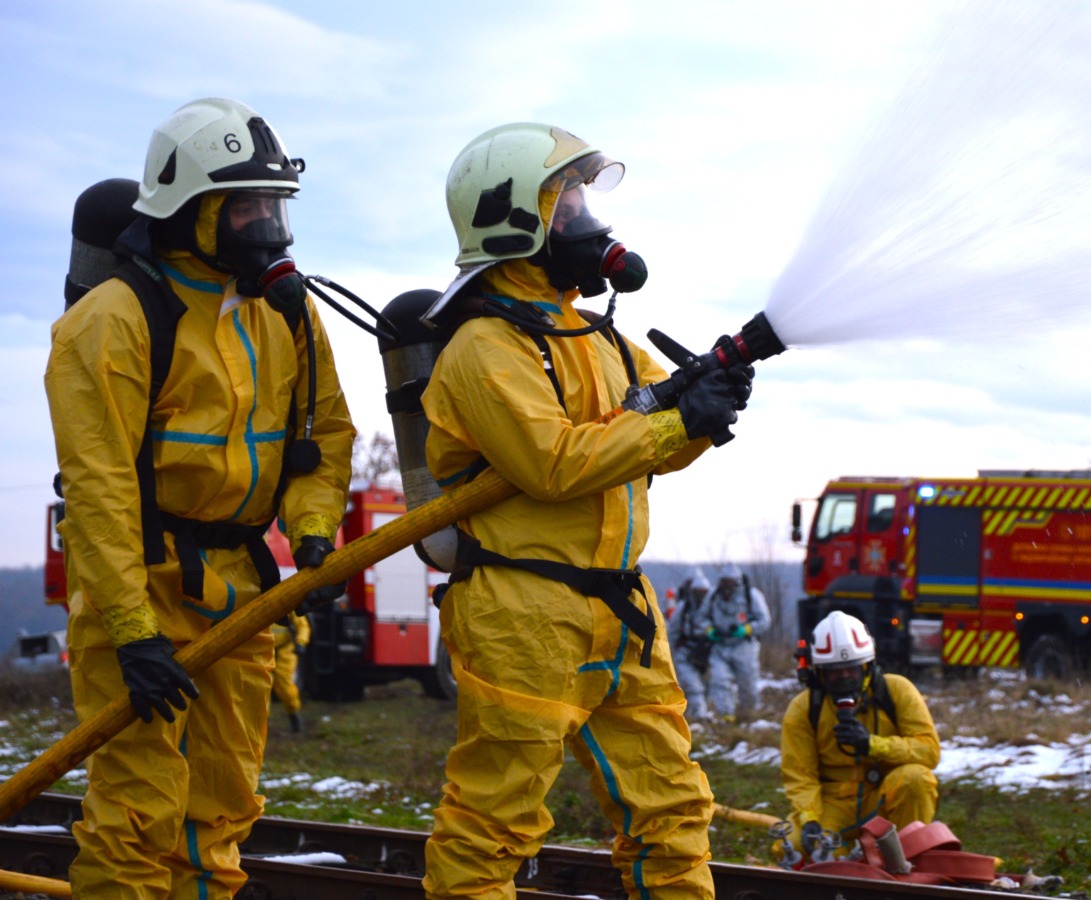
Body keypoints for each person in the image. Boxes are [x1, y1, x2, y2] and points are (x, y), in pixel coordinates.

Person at [418, 122, 753, 900]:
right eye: (564, 201)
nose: (584, 218)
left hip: (622, 610)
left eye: (580, 198)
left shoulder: (597, 335)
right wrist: (678, 419)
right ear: (513, 221)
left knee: (672, 811)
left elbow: (648, 446)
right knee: (493, 823)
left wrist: (703, 409)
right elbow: (554, 463)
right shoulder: (482, 346)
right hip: (524, 617)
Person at [45, 97, 354, 898]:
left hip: (241, 594)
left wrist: (314, 529)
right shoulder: (113, 320)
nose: (268, 225)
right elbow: (99, 488)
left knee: (220, 808)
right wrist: (131, 635)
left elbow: (326, 432)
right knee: (136, 814)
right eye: (244, 206)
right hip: (140, 589)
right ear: (188, 211)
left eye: (274, 203)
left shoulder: (286, 311)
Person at [780, 611, 940, 860]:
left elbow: (928, 751)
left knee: (916, 778)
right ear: (818, 673)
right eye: (835, 672)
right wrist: (809, 818)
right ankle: (850, 863)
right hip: (833, 801)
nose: (844, 677)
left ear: (867, 667)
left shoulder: (897, 691)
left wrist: (872, 745)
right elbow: (801, 775)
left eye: (851, 670)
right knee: (792, 846)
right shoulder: (804, 709)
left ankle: (907, 857)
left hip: (883, 796)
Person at [704, 562, 770, 723]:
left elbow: (765, 620)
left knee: (747, 682)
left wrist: (747, 629)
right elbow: (701, 617)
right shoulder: (713, 596)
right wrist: (709, 630)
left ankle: (750, 716)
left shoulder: (751, 595)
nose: (727, 586)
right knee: (718, 680)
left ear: (737, 581)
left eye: (730, 582)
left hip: (744, 646)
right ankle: (726, 715)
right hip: (720, 645)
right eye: (724, 581)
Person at [670, 569, 714, 721]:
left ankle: (696, 714)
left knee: (709, 686)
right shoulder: (684, 608)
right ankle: (699, 717)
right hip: (687, 653)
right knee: (693, 687)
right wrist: (673, 652)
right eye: (697, 592)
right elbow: (673, 630)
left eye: (704, 592)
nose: (700, 595)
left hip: (709, 653)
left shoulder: (715, 607)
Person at [270, 611, 311, 732]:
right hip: (263, 650)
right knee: (261, 687)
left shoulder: (287, 602)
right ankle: (261, 723)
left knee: (285, 685)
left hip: (285, 649)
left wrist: (301, 642)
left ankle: (294, 713)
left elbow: (302, 624)